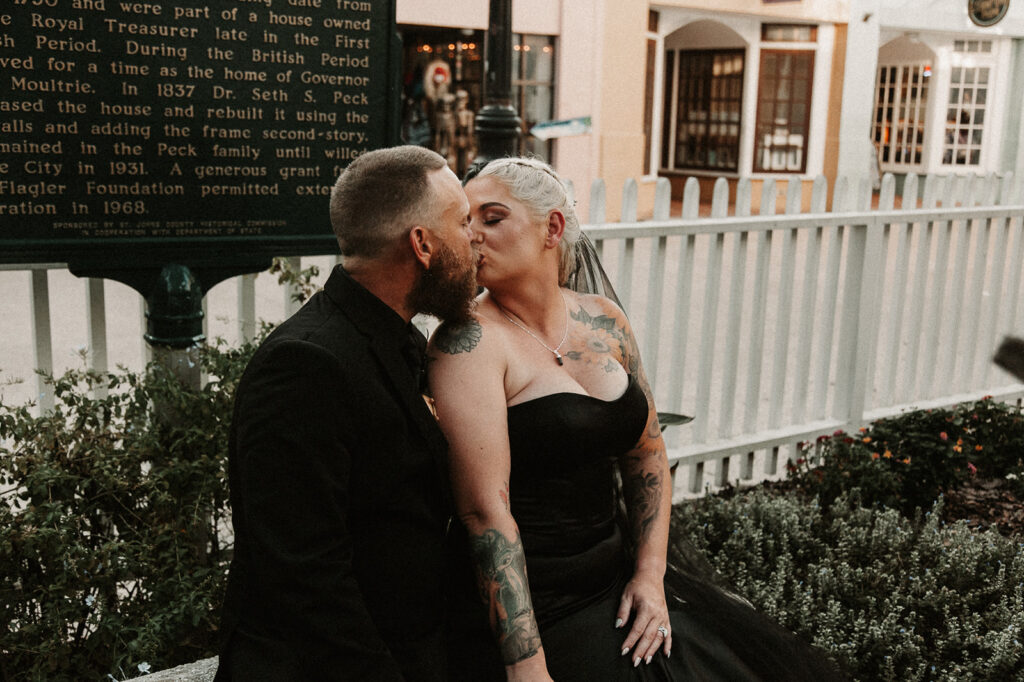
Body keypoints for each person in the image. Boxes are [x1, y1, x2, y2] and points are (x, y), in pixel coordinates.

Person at [428, 157, 844, 680]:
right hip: (538, 609)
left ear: (552, 228)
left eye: (492, 218)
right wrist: (526, 664)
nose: (472, 237)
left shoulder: (604, 319)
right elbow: (485, 515)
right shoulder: (467, 343)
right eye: (467, 222)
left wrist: (650, 576)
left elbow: (646, 451)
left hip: (618, 580)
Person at [214, 146, 477, 681]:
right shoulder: (304, 365)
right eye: (464, 221)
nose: (475, 239)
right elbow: (303, 575)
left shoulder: (401, 340)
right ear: (422, 244)